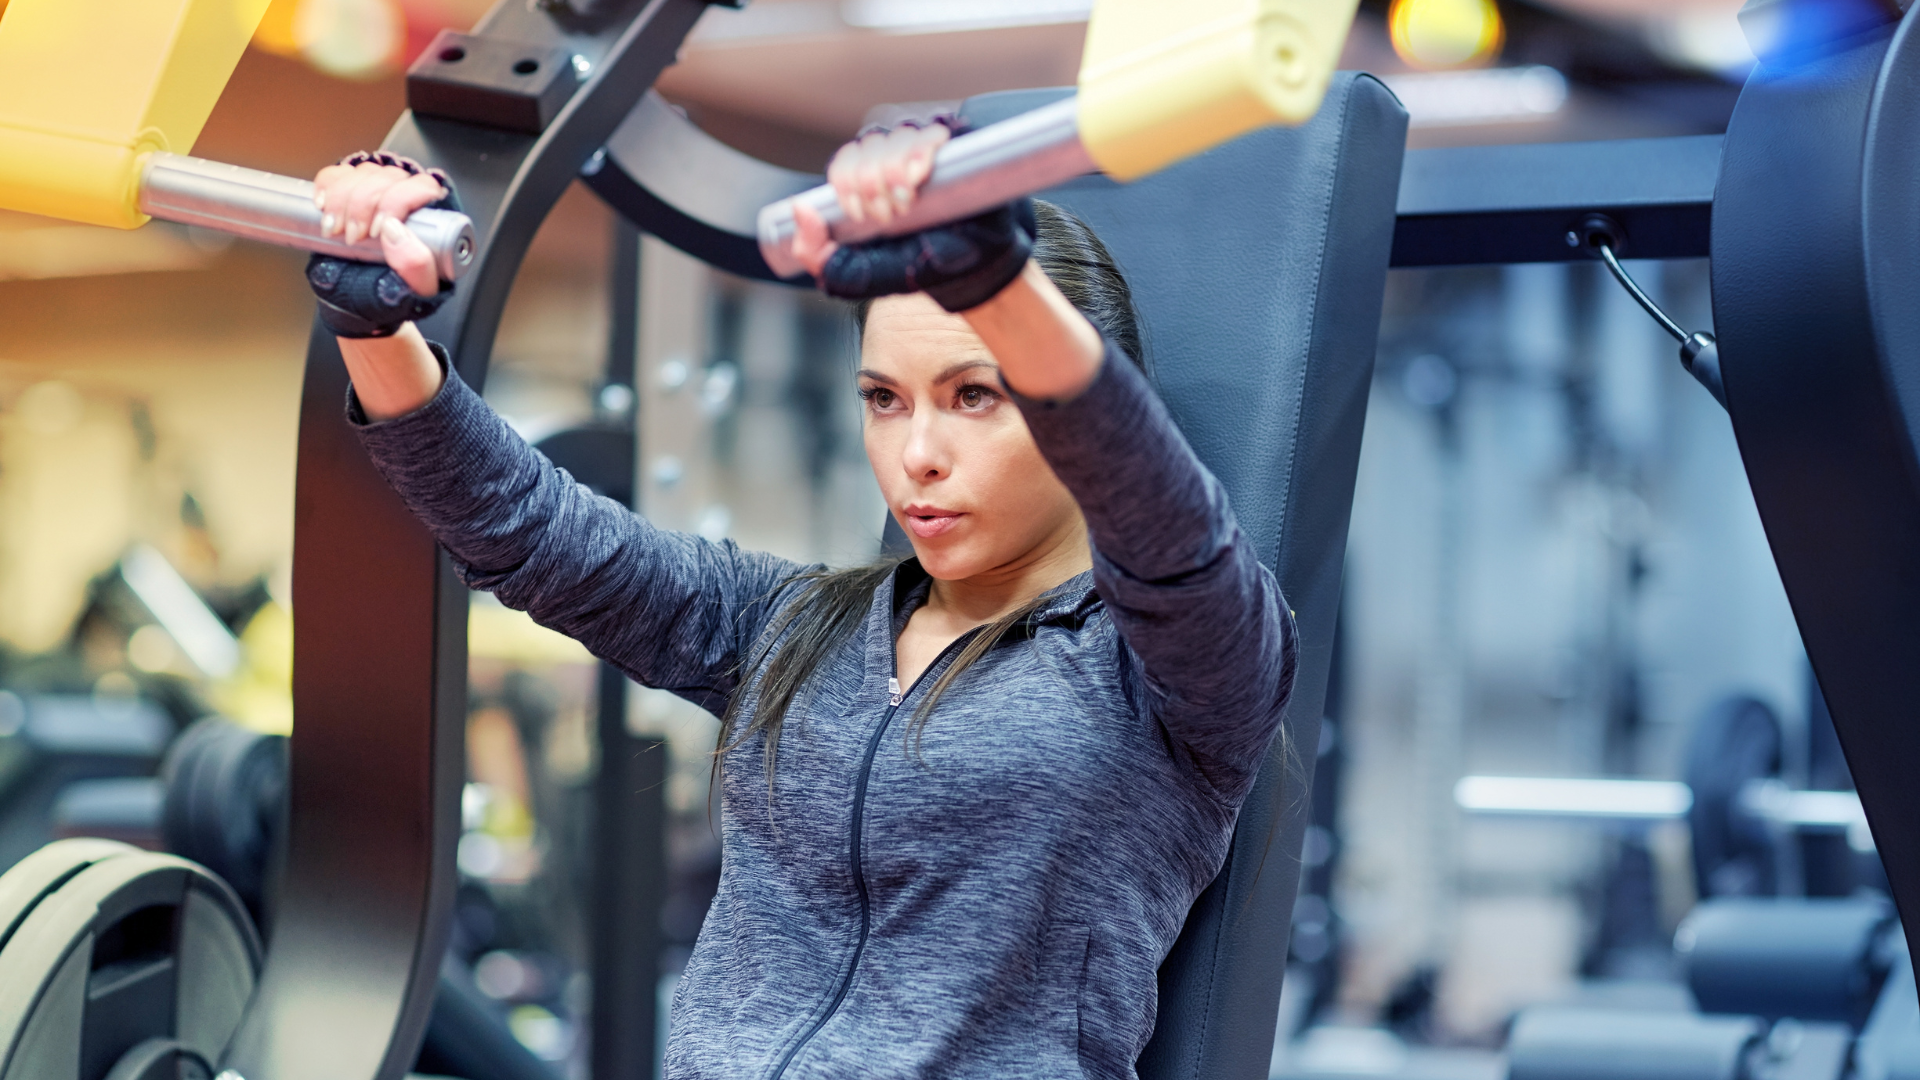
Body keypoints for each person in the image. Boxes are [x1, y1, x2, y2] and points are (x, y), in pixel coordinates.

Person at [308, 120, 1296, 1079]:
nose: (916, 456)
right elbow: (530, 529)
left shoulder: (1174, 668)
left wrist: (1001, 285)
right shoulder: (796, 628)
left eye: (976, 395)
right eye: (884, 399)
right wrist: (374, 322)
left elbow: (1172, 530)